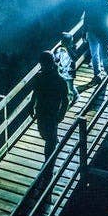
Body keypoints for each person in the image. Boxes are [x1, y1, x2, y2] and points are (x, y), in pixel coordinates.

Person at [31, 51, 70, 180]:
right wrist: (31, 105)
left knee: (50, 141)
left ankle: (49, 168)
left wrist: (61, 114)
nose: (43, 66)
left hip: (51, 113)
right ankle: (52, 143)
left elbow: (65, 100)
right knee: (45, 134)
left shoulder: (59, 81)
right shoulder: (39, 77)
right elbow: (35, 93)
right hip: (41, 112)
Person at [83, 0, 108, 82]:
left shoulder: (89, 1)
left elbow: (86, 18)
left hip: (92, 31)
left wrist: (84, 32)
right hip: (103, 31)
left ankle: (97, 74)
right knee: (104, 53)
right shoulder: (107, 1)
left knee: (95, 54)